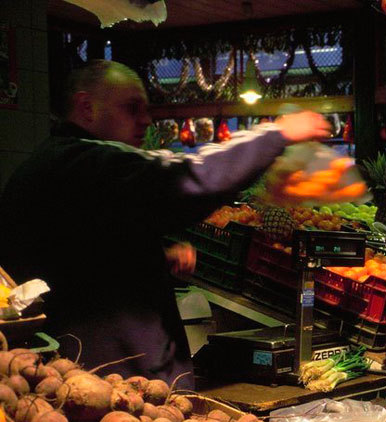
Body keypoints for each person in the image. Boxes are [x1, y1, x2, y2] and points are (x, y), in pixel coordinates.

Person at [0, 60, 331, 387]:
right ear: (86, 107)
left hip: (74, 374)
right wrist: (276, 135)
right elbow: (189, 178)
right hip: (114, 384)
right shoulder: (86, 161)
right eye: (132, 108)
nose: (145, 120)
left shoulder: (49, 165)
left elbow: (81, 254)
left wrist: (156, 259)